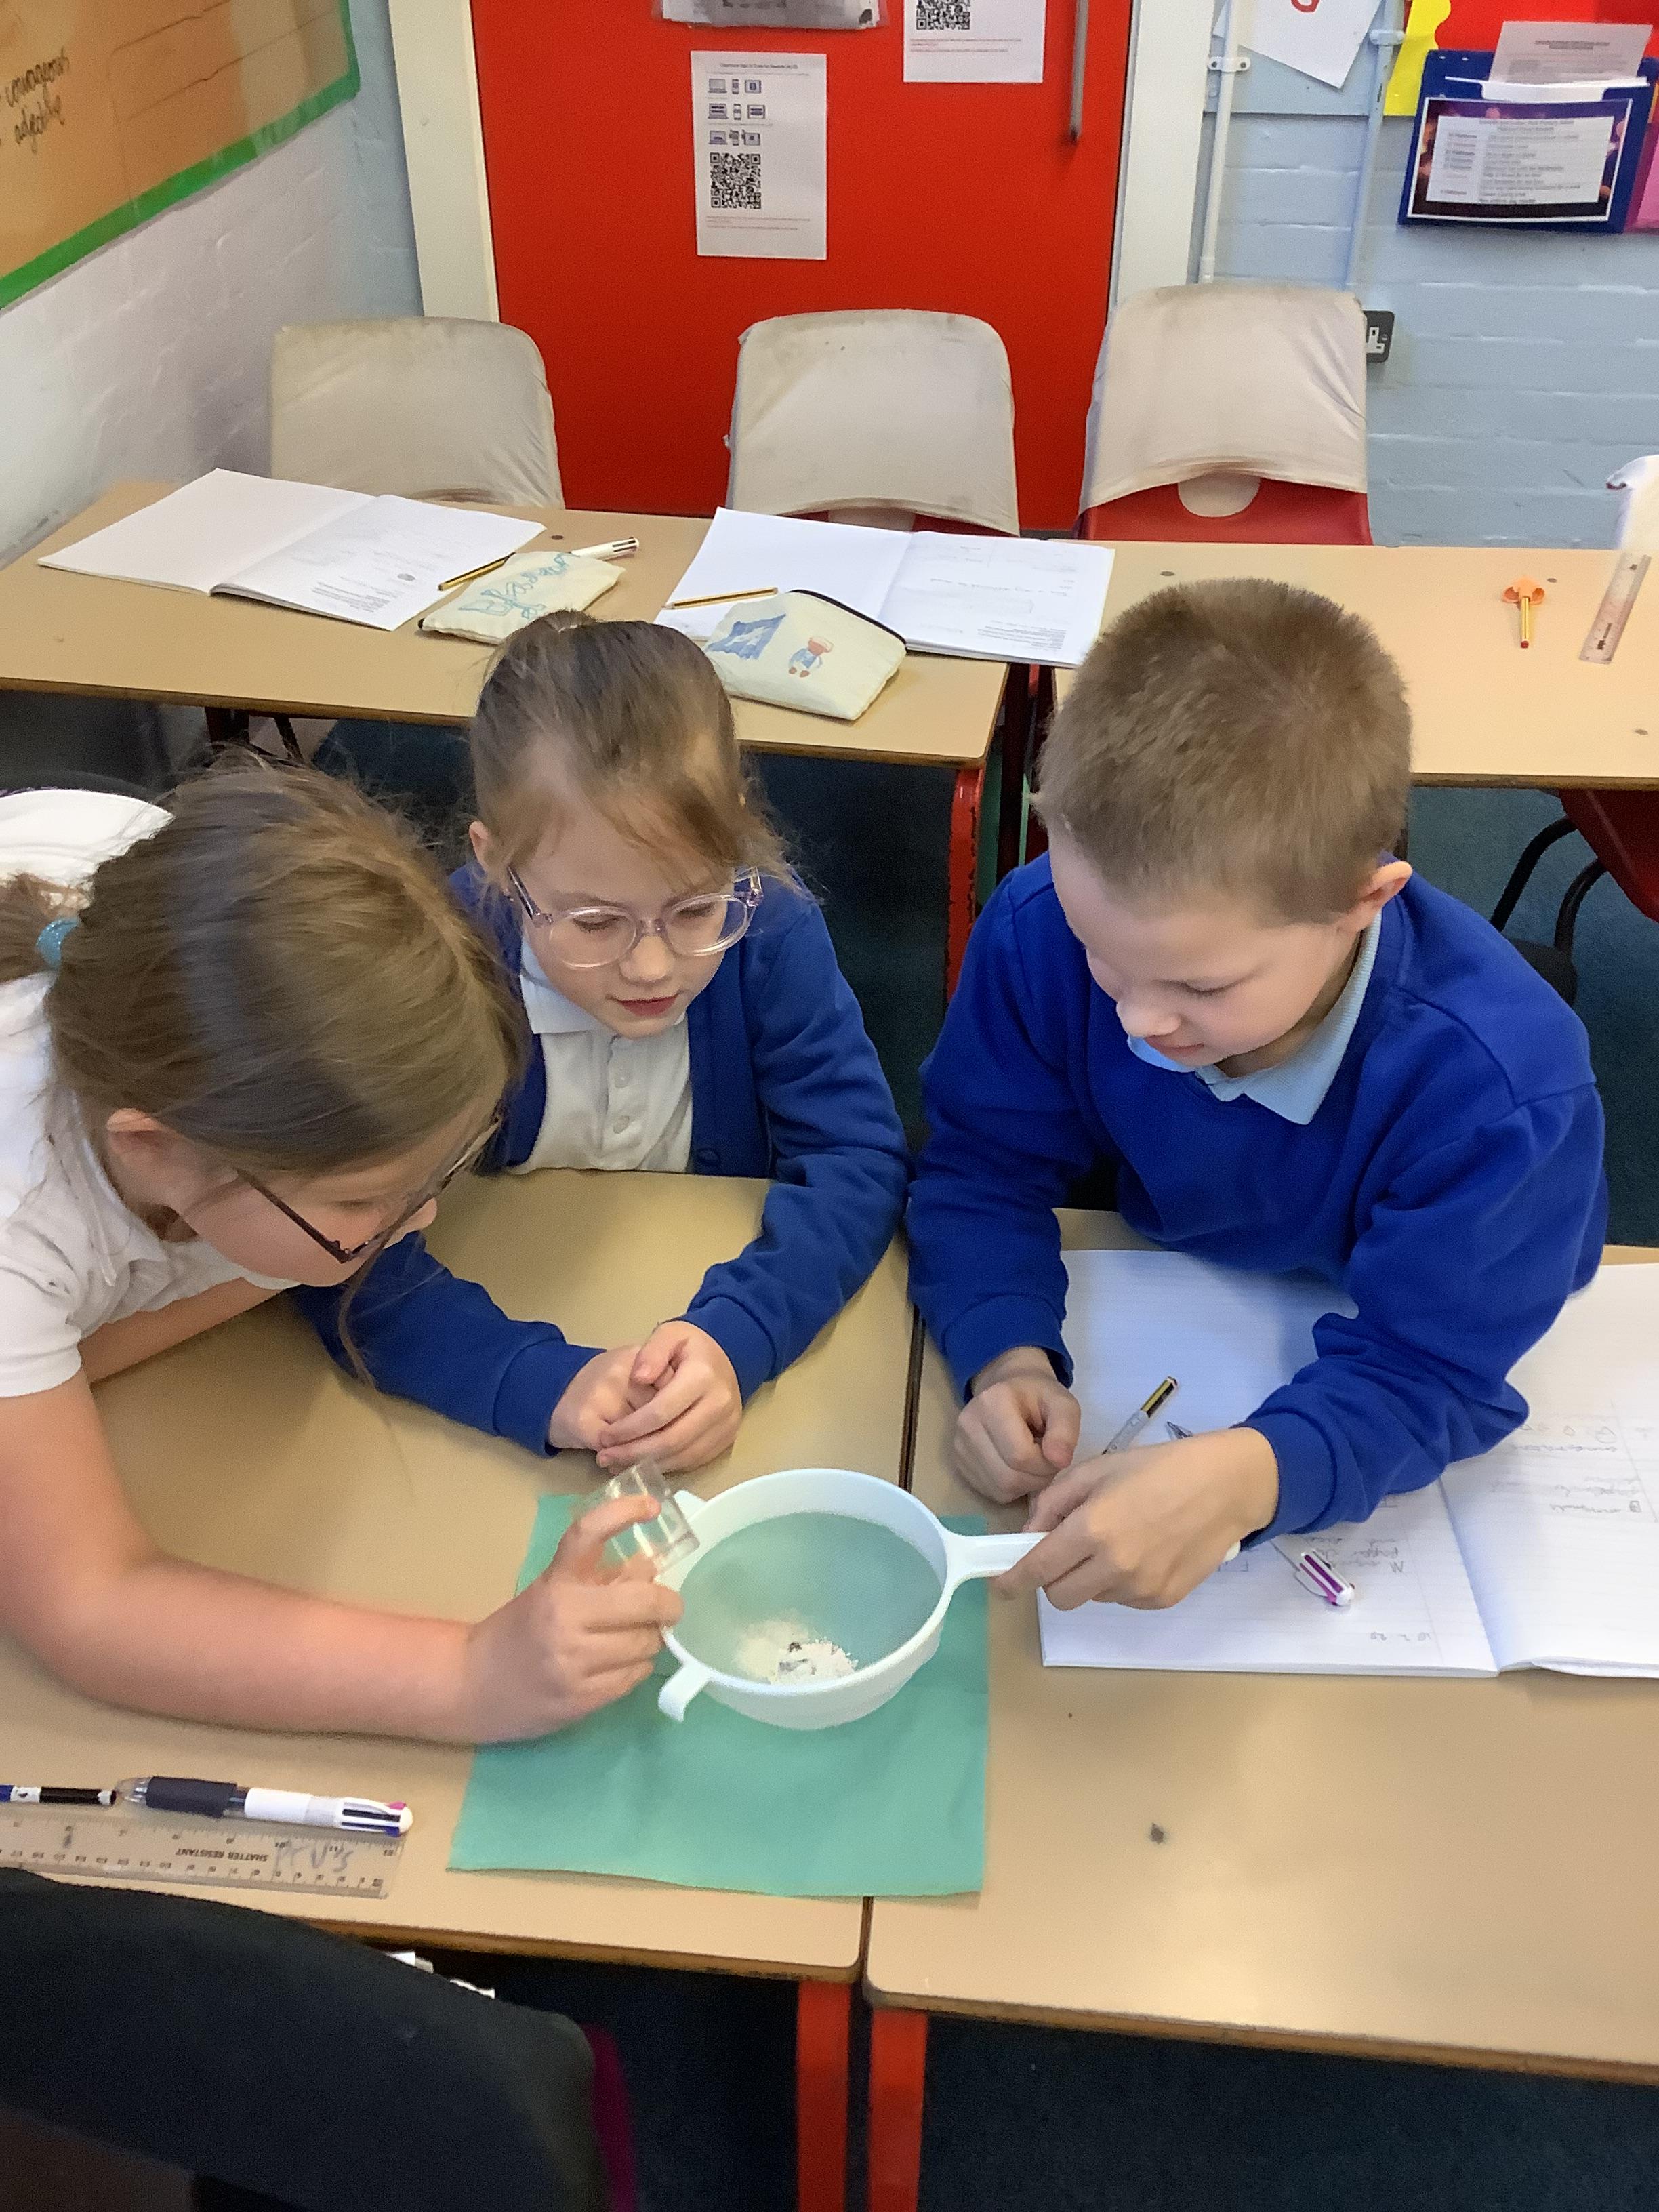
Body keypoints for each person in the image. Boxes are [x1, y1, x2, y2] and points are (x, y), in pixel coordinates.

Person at [908, 579, 1606, 1612]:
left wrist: (1255, 1475)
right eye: (1103, 955)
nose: (1137, 1019)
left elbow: (1435, 1371)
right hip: (1186, 1263)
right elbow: (978, 1169)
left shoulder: (1504, 1094)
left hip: (1449, 1279)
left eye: (1201, 987)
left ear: (1364, 902)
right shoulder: (1040, 927)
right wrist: (1006, 1354)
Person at [0, 769, 679, 1740]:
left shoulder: (232, 992)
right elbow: (88, 1603)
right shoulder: (22, 1211)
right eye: (363, 1200)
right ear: (157, 1150)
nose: (419, 1220)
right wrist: (467, 1676)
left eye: (438, 1172)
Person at [298, 613, 909, 1474]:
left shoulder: (768, 931)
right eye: (592, 922)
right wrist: (533, 1380)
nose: (652, 966)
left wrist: (741, 1332)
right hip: (501, 1327)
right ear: (497, 864)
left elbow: (857, 1159)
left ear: (736, 833)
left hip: (695, 1307)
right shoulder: (437, 965)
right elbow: (336, 1237)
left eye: (694, 907)